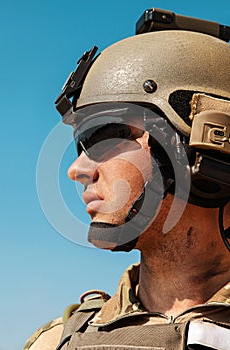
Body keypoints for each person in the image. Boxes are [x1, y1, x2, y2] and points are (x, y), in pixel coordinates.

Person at [23, 7, 230, 350]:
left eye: (107, 135)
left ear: (207, 141)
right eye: (81, 146)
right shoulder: (58, 342)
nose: (77, 171)